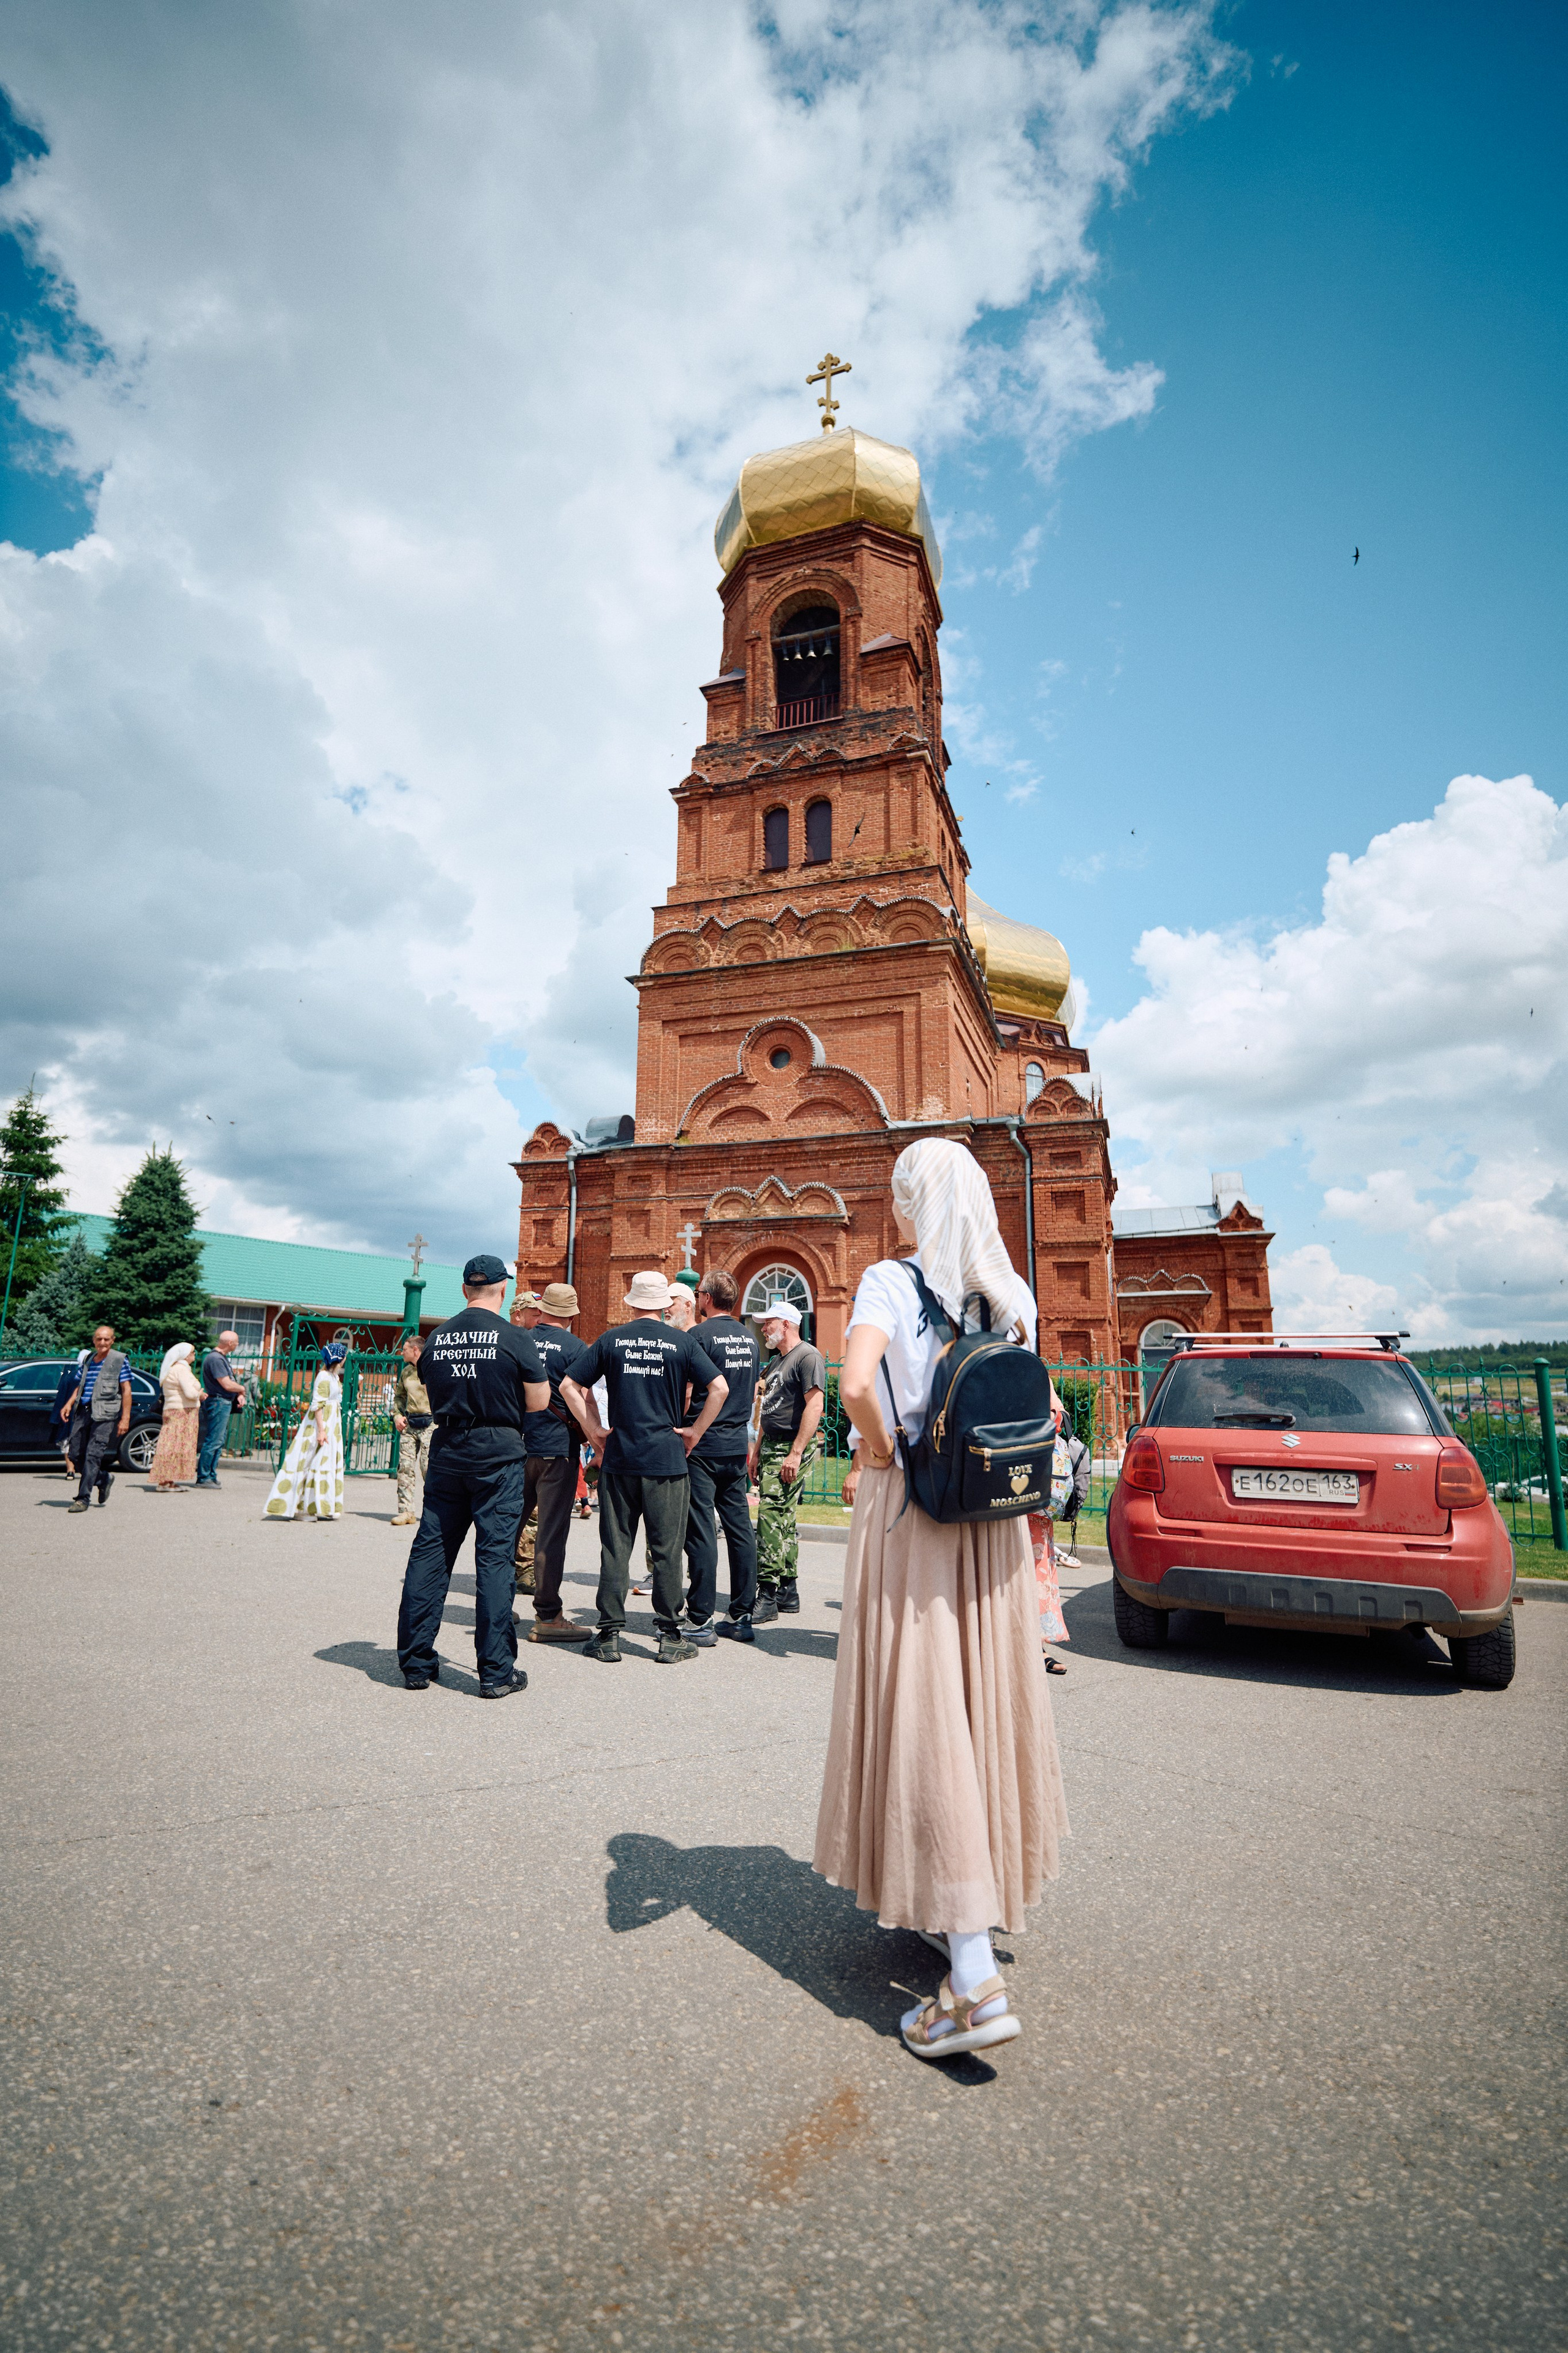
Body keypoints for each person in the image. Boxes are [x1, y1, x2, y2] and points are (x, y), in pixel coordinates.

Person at [815, 1136, 1070, 2063]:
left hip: (916, 1510)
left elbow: (852, 1384)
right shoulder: (1013, 1298)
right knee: (980, 1704)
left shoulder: (889, 1279)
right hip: (995, 1525)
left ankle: (971, 1977)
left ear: (916, 1202)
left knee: (924, 1712)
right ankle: (970, 1886)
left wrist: (878, 1449)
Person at [394, 1255, 549, 1698]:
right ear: (503, 1289)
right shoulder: (515, 1338)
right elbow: (538, 1401)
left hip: (448, 1449)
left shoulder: (439, 1337)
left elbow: (430, 1384)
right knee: (495, 1558)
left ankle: (416, 1662)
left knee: (431, 1552)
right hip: (497, 1453)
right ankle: (496, 1671)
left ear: (465, 1290)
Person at [560, 1271, 728, 1666]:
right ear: (667, 1304)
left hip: (620, 1456)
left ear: (631, 1302)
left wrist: (593, 1430)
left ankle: (608, 1635)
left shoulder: (612, 1340)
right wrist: (694, 1432)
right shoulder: (683, 1342)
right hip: (667, 1459)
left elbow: (569, 1385)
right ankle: (670, 1635)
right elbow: (719, 1388)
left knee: (616, 1546)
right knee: (668, 1547)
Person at [683, 1269, 762, 1645]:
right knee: (739, 1528)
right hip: (735, 1443)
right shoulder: (750, 1339)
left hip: (702, 1444)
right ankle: (742, 1614)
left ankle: (699, 1618)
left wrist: (686, 1430)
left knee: (701, 1531)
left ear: (708, 1298)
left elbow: (686, 1393)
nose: (697, 1300)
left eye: (699, 1294)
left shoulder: (698, 1336)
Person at [518, 1282, 594, 1645]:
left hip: (516, 1448)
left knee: (504, 1530)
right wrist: (596, 1437)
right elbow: (584, 1397)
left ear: (542, 1308)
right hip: (557, 1449)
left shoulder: (519, 1339)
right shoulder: (576, 1348)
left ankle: (497, 1605)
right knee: (550, 1535)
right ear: (572, 1314)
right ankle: (548, 1615)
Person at [751, 1299, 825, 1623]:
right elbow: (768, 1411)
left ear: (786, 1324)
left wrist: (795, 1453)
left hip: (789, 1447)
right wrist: (756, 1450)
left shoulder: (807, 1356)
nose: (764, 1328)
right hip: (771, 1445)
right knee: (783, 1517)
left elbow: (815, 1405)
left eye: (768, 1322)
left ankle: (767, 1593)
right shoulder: (777, 1361)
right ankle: (787, 1590)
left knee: (769, 1514)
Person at [263, 1342, 347, 1520]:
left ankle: (322, 1505)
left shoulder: (334, 1377)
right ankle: (300, 1508)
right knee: (310, 1462)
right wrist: (321, 1430)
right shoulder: (324, 1377)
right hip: (322, 1423)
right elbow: (318, 1405)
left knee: (325, 1464)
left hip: (332, 1424)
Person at [61, 1324, 132, 1512]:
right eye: (99, 1339)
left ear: (113, 1340)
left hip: (106, 1414)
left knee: (93, 1455)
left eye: (106, 1339)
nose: (102, 1343)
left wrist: (125, 1418)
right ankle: (102, 1478)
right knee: (75, 1454)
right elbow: (80, 1384)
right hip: (83, 1411)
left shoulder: (119, 1360)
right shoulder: (89, 1358)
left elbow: (126, 1390)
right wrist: (69, 1403)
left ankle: (83, 1498)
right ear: (94, 1340)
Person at [390, 1333, 433, 1528]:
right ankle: (406, 1511)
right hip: (410, 1425)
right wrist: (397, 1415)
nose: (402, 1352)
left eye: (405, 1349)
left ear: (415, 1350)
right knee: (405, 1469)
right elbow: (399, 1396)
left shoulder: (432, 1367)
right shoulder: (406, 1372)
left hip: (431, 1425)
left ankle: (434, 1513)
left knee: (428, 1470)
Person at [196, 1330, 246, 1489]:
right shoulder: (216, 1359)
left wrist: (238, 1393)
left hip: (222, 1402)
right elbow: (226, 1384)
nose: (237, 1345)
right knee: (214, 1440)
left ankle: (211, 1474)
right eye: (236, 1342)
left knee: (219, 1440)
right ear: (230, 1343)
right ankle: (204, 1477)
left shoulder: (220, 1358)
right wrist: (242, 1389)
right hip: (218, 1402)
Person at [151, 1342, 203, 1491]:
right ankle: (165, 1481)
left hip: (173, 1410)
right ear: (185, 1355)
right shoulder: (182, 1370)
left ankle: (167, 1480)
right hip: (182, 1411)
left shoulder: (174, 1368)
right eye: (192, 1352)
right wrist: (199, 1394)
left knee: (170, 1445)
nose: (194, 1355)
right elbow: (190, 1393)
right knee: (175, 1446)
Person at [50, 1351, 87, 1467]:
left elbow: (62, 1397)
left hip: (71, 1413)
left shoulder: (71, 1376)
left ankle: (70, 1469)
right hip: (86, 1412)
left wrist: (57, 1415)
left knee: (68, 1439)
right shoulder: (93, 1376)